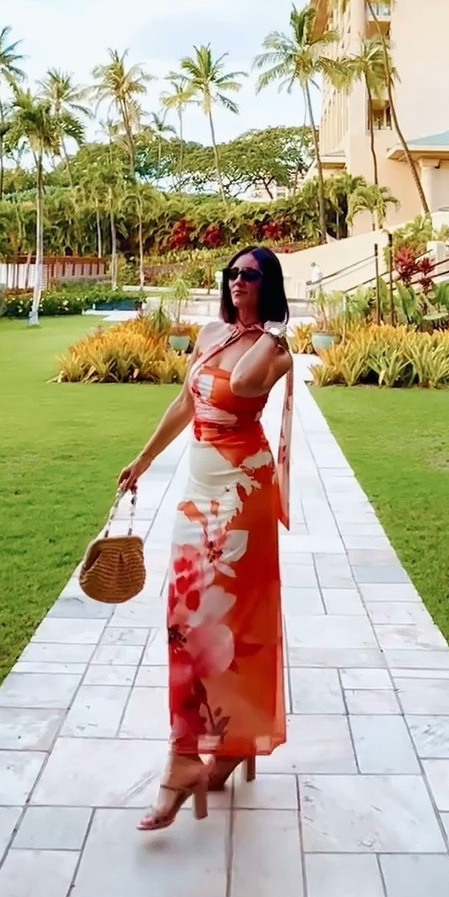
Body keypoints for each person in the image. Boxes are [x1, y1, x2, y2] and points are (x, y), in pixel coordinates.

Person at [117, 245, 293, 831]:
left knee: (230, 624)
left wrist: (270, 330)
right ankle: (214, 747)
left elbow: (243, 383)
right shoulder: (210, 331)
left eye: (253, 275)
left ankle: (186, 758)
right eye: (234, 273)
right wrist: (143, 459)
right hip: (198, 487)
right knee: (184, 617)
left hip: (242, 492)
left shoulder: (275, 352)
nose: (239, 281)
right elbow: (183, 399)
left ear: (270, 286)